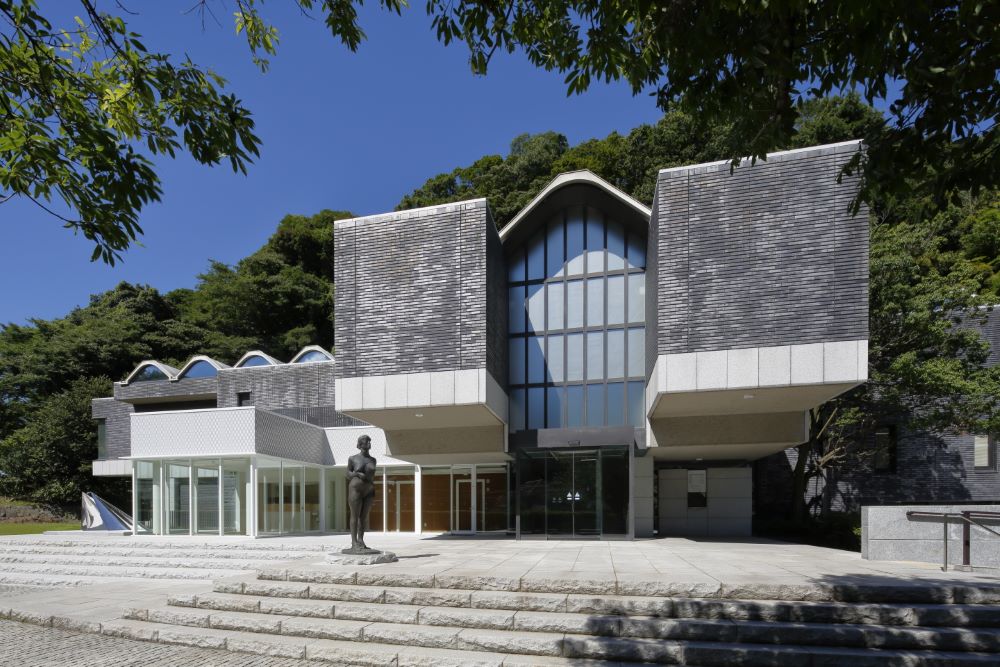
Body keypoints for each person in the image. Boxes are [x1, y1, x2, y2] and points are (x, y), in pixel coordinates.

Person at [346, 434, 377, 551]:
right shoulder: (353, 458)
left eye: (369, 441)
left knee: (363, 517)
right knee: (354, 516)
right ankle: (354, 542)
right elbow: (347, 473)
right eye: (366, 441)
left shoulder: (373, 460)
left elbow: (372, 475)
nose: (369, 443)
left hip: (368, 490)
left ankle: (361, 540)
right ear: (360, 444)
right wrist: (357, 474)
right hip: (356, 489)